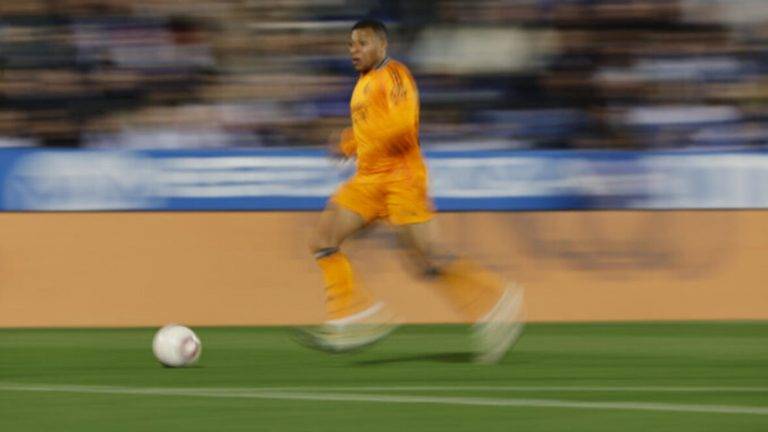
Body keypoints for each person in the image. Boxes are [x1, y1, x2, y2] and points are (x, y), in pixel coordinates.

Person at [301, 19, 524, 363]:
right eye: (350, 45)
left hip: (402, 180)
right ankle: (351, 315)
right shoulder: (362, 84)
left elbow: (403, 124)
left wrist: (352, 140)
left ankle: (497, 296)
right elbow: (370, 130)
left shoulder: (395, 75)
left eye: (361, 43)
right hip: (369, 181)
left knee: (427, 261)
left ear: (381, 46)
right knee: (323, 241)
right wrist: (348, 143)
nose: (353, 51)